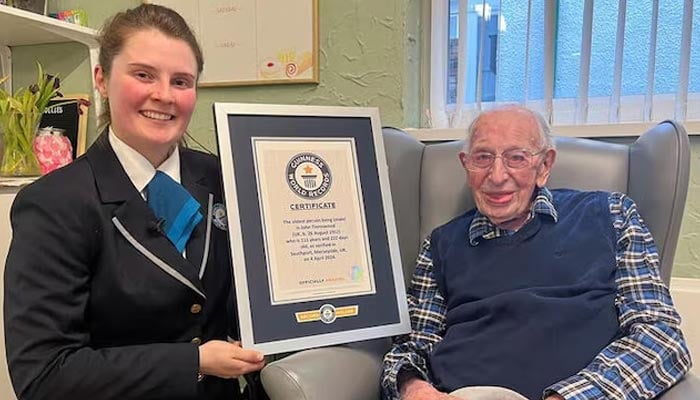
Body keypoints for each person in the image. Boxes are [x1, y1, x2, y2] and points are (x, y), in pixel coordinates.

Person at [4, 4, 265, 400]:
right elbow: (44, 376)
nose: (163, 95)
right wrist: (193, 363)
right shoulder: (52, 205)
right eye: (143, 75)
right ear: (102, 79)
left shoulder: (223, 177)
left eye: (181, 81)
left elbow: (252, 299)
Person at [381, 105, 692, 400]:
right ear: (466, 164)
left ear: (544, 166)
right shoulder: (440, 244)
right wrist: (414, 389)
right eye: (483, 158)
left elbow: (661, 337)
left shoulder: (611, 215)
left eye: (516, 158)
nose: (497, 175)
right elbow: (413, 346)